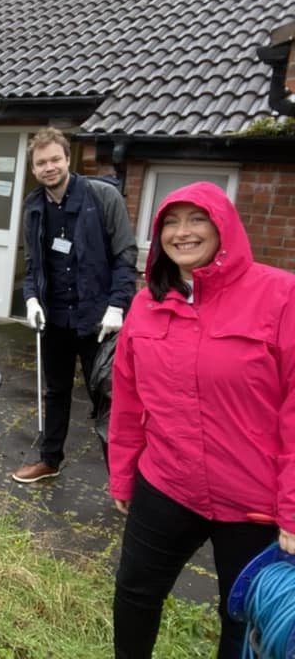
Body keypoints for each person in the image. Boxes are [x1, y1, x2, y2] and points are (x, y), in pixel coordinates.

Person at [109, 181, 295, 658]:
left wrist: (293, 509)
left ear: (223, 226)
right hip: (167, 485)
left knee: (245, 618)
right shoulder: (145, 306)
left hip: (254, 503)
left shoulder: (280, 296)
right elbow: (128, 399)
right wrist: (123, 477)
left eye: (197, 219)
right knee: (135, 594)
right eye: (170, 221)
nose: (182, 232)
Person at [12, 127, 138, 483]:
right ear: (34, 170)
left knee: (107, 397)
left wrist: (117, 306)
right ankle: (50, 460)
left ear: (68, 159)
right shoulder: (34, 206)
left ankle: (122, 475)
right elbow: (34, 263)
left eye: (55, 159)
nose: (49, 167)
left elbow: (125, 253)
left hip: (99, 321)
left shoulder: (102, 197)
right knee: (56, 392)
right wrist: (31, 297)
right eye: (41, 163)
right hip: (55, 319)